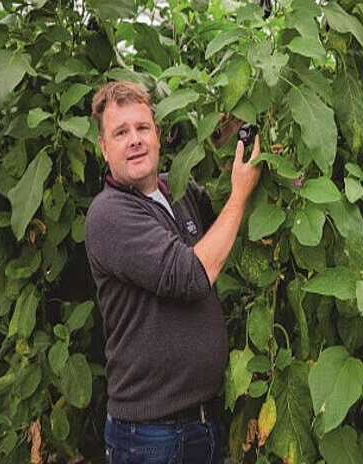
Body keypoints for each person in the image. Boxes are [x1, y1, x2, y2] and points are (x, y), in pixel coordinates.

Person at [85, 80, 261, 463]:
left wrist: (244, 119)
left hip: (204, 423)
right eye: (120, 132)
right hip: (151, 436)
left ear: (158, 136)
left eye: (142, 128)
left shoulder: (178, 191)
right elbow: (192, 275)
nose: (134, 140)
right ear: (103, 148)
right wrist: (240, 193)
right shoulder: (109, 215)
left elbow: (225, 219)